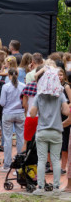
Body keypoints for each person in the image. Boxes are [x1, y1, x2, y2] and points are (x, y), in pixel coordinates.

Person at [28, 66, 69, 194]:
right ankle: (56, 188)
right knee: (56, 160)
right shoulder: (60, 94)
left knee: (41, 160)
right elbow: (66, 111)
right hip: (56, 130)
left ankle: (40, 187)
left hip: (42, 130)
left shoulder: (39, 96)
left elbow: (32, 114)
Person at [0, 67, 25, 171]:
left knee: (7, 139)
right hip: (20, 113)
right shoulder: (23, 86)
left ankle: (7, 164)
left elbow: (2, 102)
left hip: (8, 113)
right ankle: (20, 164)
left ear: (9, 75)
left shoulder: (5, 87)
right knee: (20, 139)